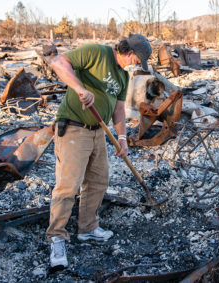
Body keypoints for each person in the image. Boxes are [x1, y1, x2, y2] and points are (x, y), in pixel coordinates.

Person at [46, 33, 152, 269]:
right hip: (74, 127)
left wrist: (122, 138)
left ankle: (88, 228)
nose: (137, 65)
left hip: (98, 132)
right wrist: (80, 89)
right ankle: (57, 237)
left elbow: (119, 108)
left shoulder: (124, 76)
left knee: (98, 181)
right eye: (138, 60)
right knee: (68, 186)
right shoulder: (97, 52)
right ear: (130, 53)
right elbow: (58, 62)